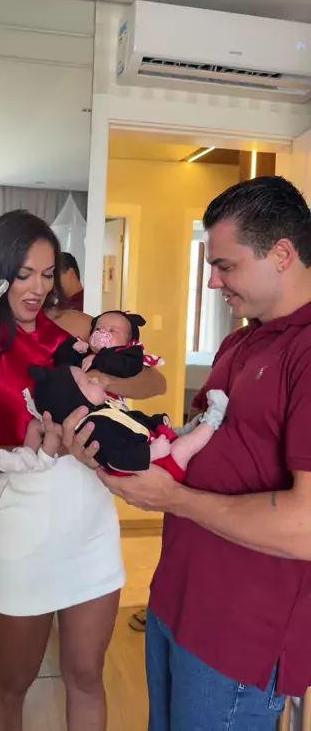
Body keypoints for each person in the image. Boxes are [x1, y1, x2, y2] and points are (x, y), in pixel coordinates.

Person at [90, 175, 311, 731]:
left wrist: (172, 497)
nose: (212, 282)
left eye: (225, 266)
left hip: (240, 634)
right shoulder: (241, 340)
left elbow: (306, 526)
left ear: (282, 254)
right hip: (177, 598)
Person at [0, 209, 166, 731]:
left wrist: (100, 380)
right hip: (20, 529)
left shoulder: (78, 328)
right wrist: (23, 453)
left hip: (90, 524)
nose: (38, 288)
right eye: (24, 275)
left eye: (46, 273)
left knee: (87, 676)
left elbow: (156, 382)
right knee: (11, 684)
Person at [0, 363, 227, 477]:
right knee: (184, 447)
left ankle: (193, 427)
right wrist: (152, 453)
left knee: (180, 434)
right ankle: (213, 419)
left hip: (155, 445)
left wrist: (156, 421)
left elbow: (133, 420)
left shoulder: (104, 409)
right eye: (89, 382)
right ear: (75, 403)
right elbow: (117, 459)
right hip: (156, 463)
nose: (97, 381)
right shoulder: (95, 427)